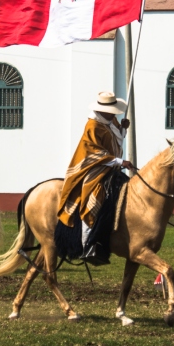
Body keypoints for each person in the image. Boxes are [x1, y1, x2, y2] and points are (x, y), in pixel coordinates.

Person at [57, 91, 136, 261]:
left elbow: (116, 143)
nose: (114, 113)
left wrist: (122, 130)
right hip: (92, 168)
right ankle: (87, 245)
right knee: (94, 197)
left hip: (109, 167)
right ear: (102, 110)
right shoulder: (92, 126)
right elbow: (94, 152)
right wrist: (119, 162)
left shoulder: (110, 121)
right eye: (112, 111)